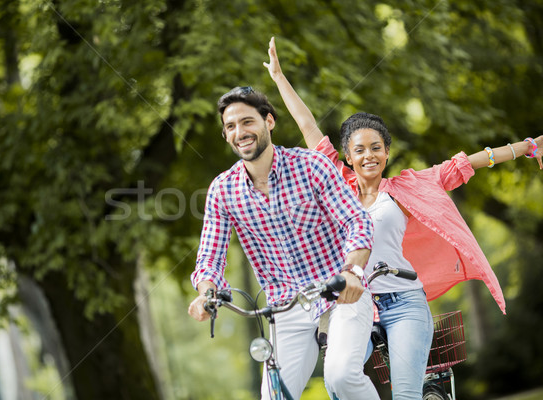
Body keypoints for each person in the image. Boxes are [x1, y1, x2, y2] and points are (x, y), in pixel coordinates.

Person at [263, 36, 543, 400]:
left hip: (405, 302)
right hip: (353, 305)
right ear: (346, 156)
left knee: (407, 395)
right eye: (359, 150)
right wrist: (280, 78)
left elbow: (462, 164)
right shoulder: (335, 181)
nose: (368, 156)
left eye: (376, 148)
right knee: (338, 381)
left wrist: (525, 147)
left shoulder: (409, 187)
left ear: (387, 152)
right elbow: (308, 126)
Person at [188, 86, 381, 400]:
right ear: (226, 136)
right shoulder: (223, 190)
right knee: (274, 397)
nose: (240, 132)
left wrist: (352, 273)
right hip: (286, 305)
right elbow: (210, 256)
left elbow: (356, 221)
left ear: (269, 122)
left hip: (339, 292)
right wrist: (207, 295)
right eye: (231, 126)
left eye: (248, 122)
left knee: (341, 375)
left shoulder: (310, 166)